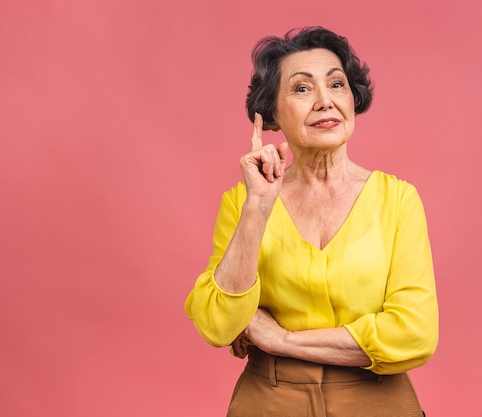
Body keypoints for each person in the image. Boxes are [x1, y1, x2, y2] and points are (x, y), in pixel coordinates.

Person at [185, 26, 438, 417]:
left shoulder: (398, 199)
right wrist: (259, 205)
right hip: (268, 403)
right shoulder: (242, 203)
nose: (325, 101)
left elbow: (415, 334)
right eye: (302, 89)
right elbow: (218, 324)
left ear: (353, 100)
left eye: (337, 85)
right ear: (270, 112)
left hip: (379, 401)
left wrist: (279, 339)